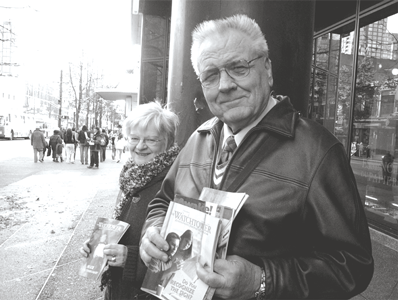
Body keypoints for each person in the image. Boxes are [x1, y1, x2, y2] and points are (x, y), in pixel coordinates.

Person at [140, 15, 374, 300]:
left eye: (238, 67)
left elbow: (353, 265)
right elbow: (162, 201)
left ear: (268, 69)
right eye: (211, 75)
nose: (225, 85)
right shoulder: (196, 139)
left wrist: (262, 280)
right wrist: (151, 232)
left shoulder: (317, 152)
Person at [79, 101, 180, 299]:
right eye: (134, 138)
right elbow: (121, 229)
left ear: (167, 142)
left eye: (150, 140)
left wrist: (130, 258)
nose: (140, 146)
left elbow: (178, 259)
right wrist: (97, 244)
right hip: (117, 289)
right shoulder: (131, 177)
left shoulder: (174, 183)